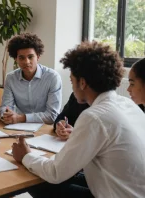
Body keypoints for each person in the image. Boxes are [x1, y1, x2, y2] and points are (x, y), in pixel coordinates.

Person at [12, 41, 145, 198]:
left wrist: (25, 156)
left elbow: (55, 173)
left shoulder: (95, 116)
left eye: (72, 80)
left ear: (82, 83)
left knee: (40, 181)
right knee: (63, 175)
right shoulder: (127, 103)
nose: (72, 85)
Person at [0, 33, 62, 124]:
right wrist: (6, 115)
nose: (26, 62)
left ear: (38, 56)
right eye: (21, 58)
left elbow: (52, 115)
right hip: (19, 128)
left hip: (45, 129)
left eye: (30, 57)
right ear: (16, 59)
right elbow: (5, 107)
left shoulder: (52, 77)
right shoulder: (11, 78)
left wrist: (21, 118)